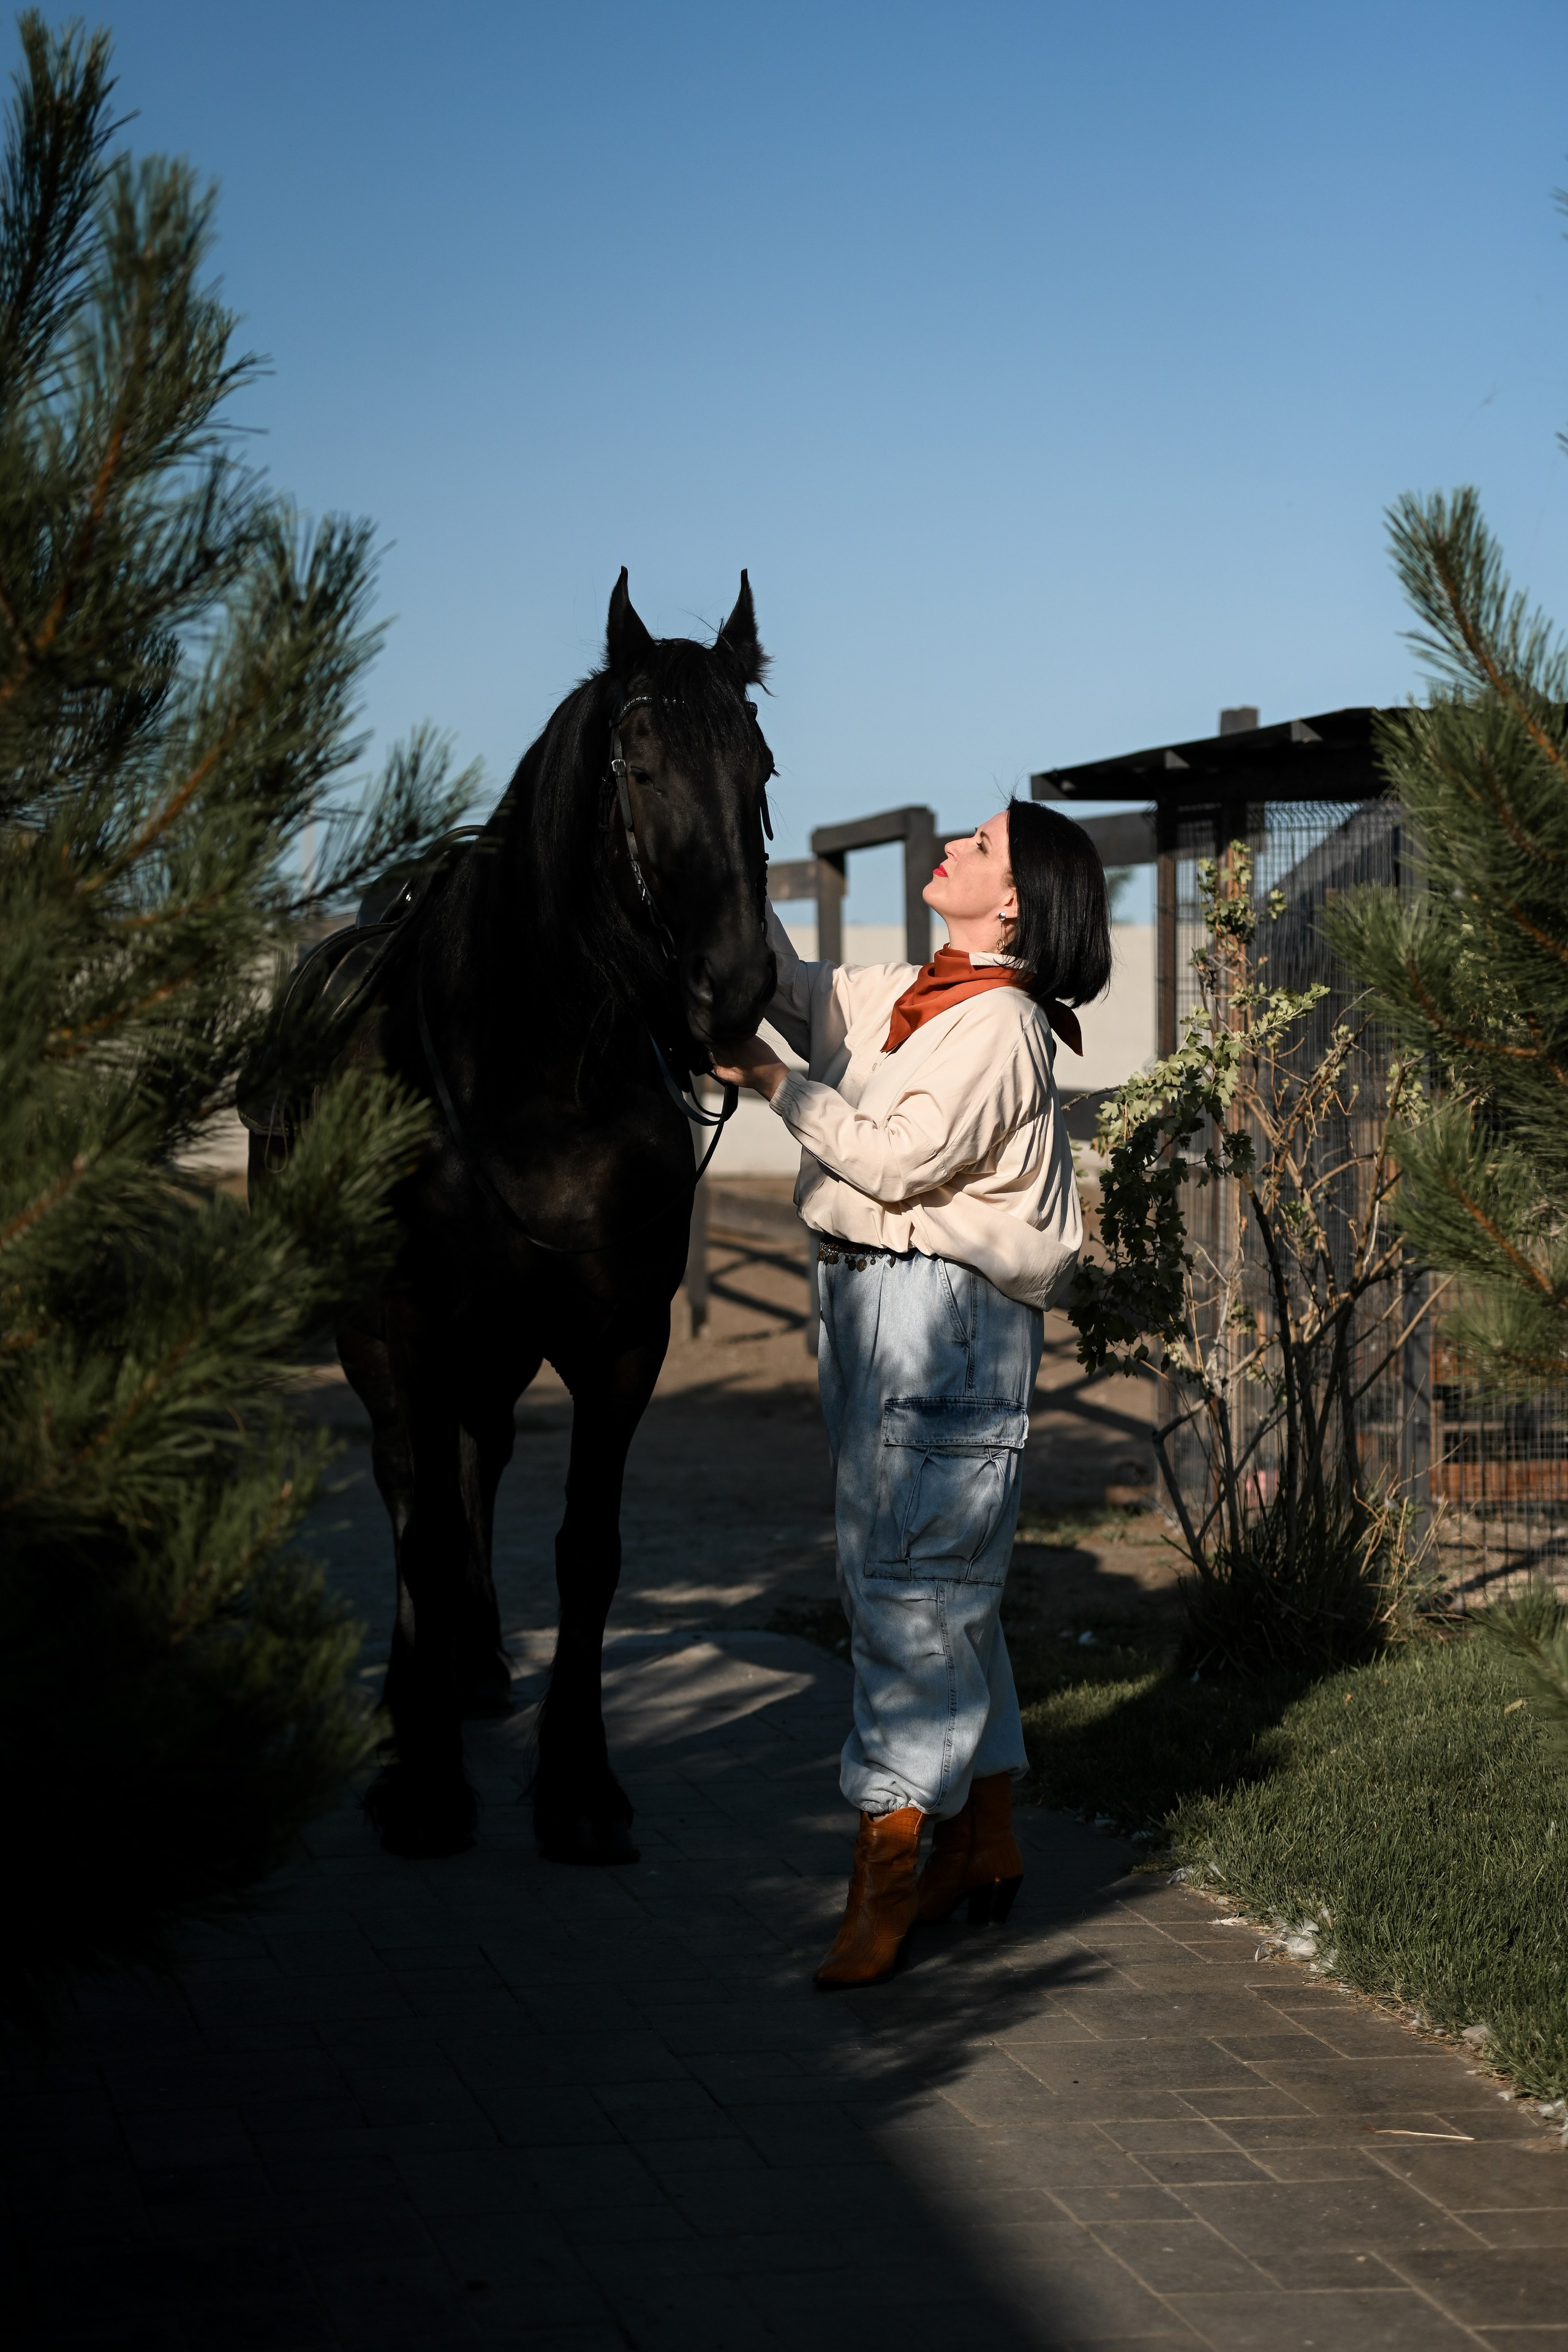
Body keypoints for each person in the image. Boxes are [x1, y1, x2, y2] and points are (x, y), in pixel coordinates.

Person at [712, 798, 1111, 1988]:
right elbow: (802, 988)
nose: (955, 849)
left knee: (908, 1594)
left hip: (938, 1314)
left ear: (1017, 906)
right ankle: (980, 1844)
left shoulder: (994, 1024)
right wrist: (730, 875)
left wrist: (774, 1086)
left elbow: (887, 1157)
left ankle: (883, 1884)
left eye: (980, 846)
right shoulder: (920, 990)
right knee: (935, 1589)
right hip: (871, 1302)